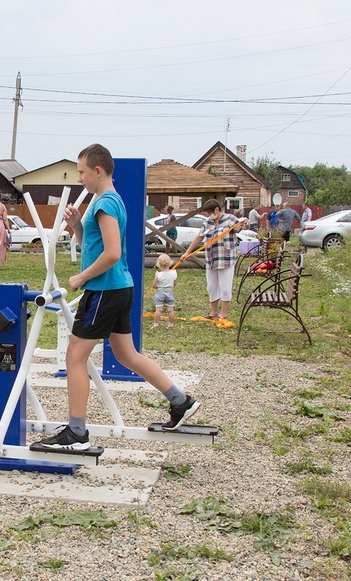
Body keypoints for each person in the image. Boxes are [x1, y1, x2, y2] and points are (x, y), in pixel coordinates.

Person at [32, 144, 200, 451]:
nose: (79, 178)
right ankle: (180, 400)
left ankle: (77, 432)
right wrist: (77, 227)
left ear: (98, 171)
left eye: (82, 172)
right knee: (127, 355)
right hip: (119, 288)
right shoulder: (110, 200)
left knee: (74, 357)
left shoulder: (105, 204)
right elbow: (96, 246)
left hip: (104, 291)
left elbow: (112, 253)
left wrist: (82, 277)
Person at [183, 199, 243, 322]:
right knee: (212, 287)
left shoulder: (229, 219)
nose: (209, 215)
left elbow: (239, 228)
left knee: (225, 287)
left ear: (217, 209)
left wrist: (245, 224)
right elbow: (199, 237)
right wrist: (187, 252)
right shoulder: (207, 222)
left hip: (226, 259)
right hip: (211, 260)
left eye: (210, 212)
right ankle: (213, 313)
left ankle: (223, 314)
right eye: (207, 213)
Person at [151, 253, 177, 330]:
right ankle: (171, 325)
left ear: (159, 264)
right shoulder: (173, 273)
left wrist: (156, 285)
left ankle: (155, 325)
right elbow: (175, 283)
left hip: (160, 293)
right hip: (169, 293)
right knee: (170, 310)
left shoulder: (158, 274)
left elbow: (154, 285)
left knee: (158, 310)